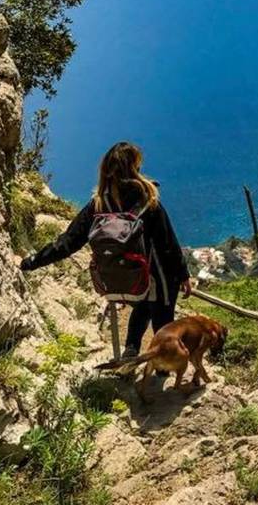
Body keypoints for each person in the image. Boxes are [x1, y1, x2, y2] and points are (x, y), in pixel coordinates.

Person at [20, 141, 192, 358]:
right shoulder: (148, 200)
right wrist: (183, 274)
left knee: (141, 307)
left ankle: (131, 350)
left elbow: (68, 242)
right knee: (163, 321)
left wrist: (33, 261)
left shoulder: (99, 204)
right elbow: (168, 243)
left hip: (127, 275)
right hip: (159, 275)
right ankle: (161, 372)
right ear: (134, 168)